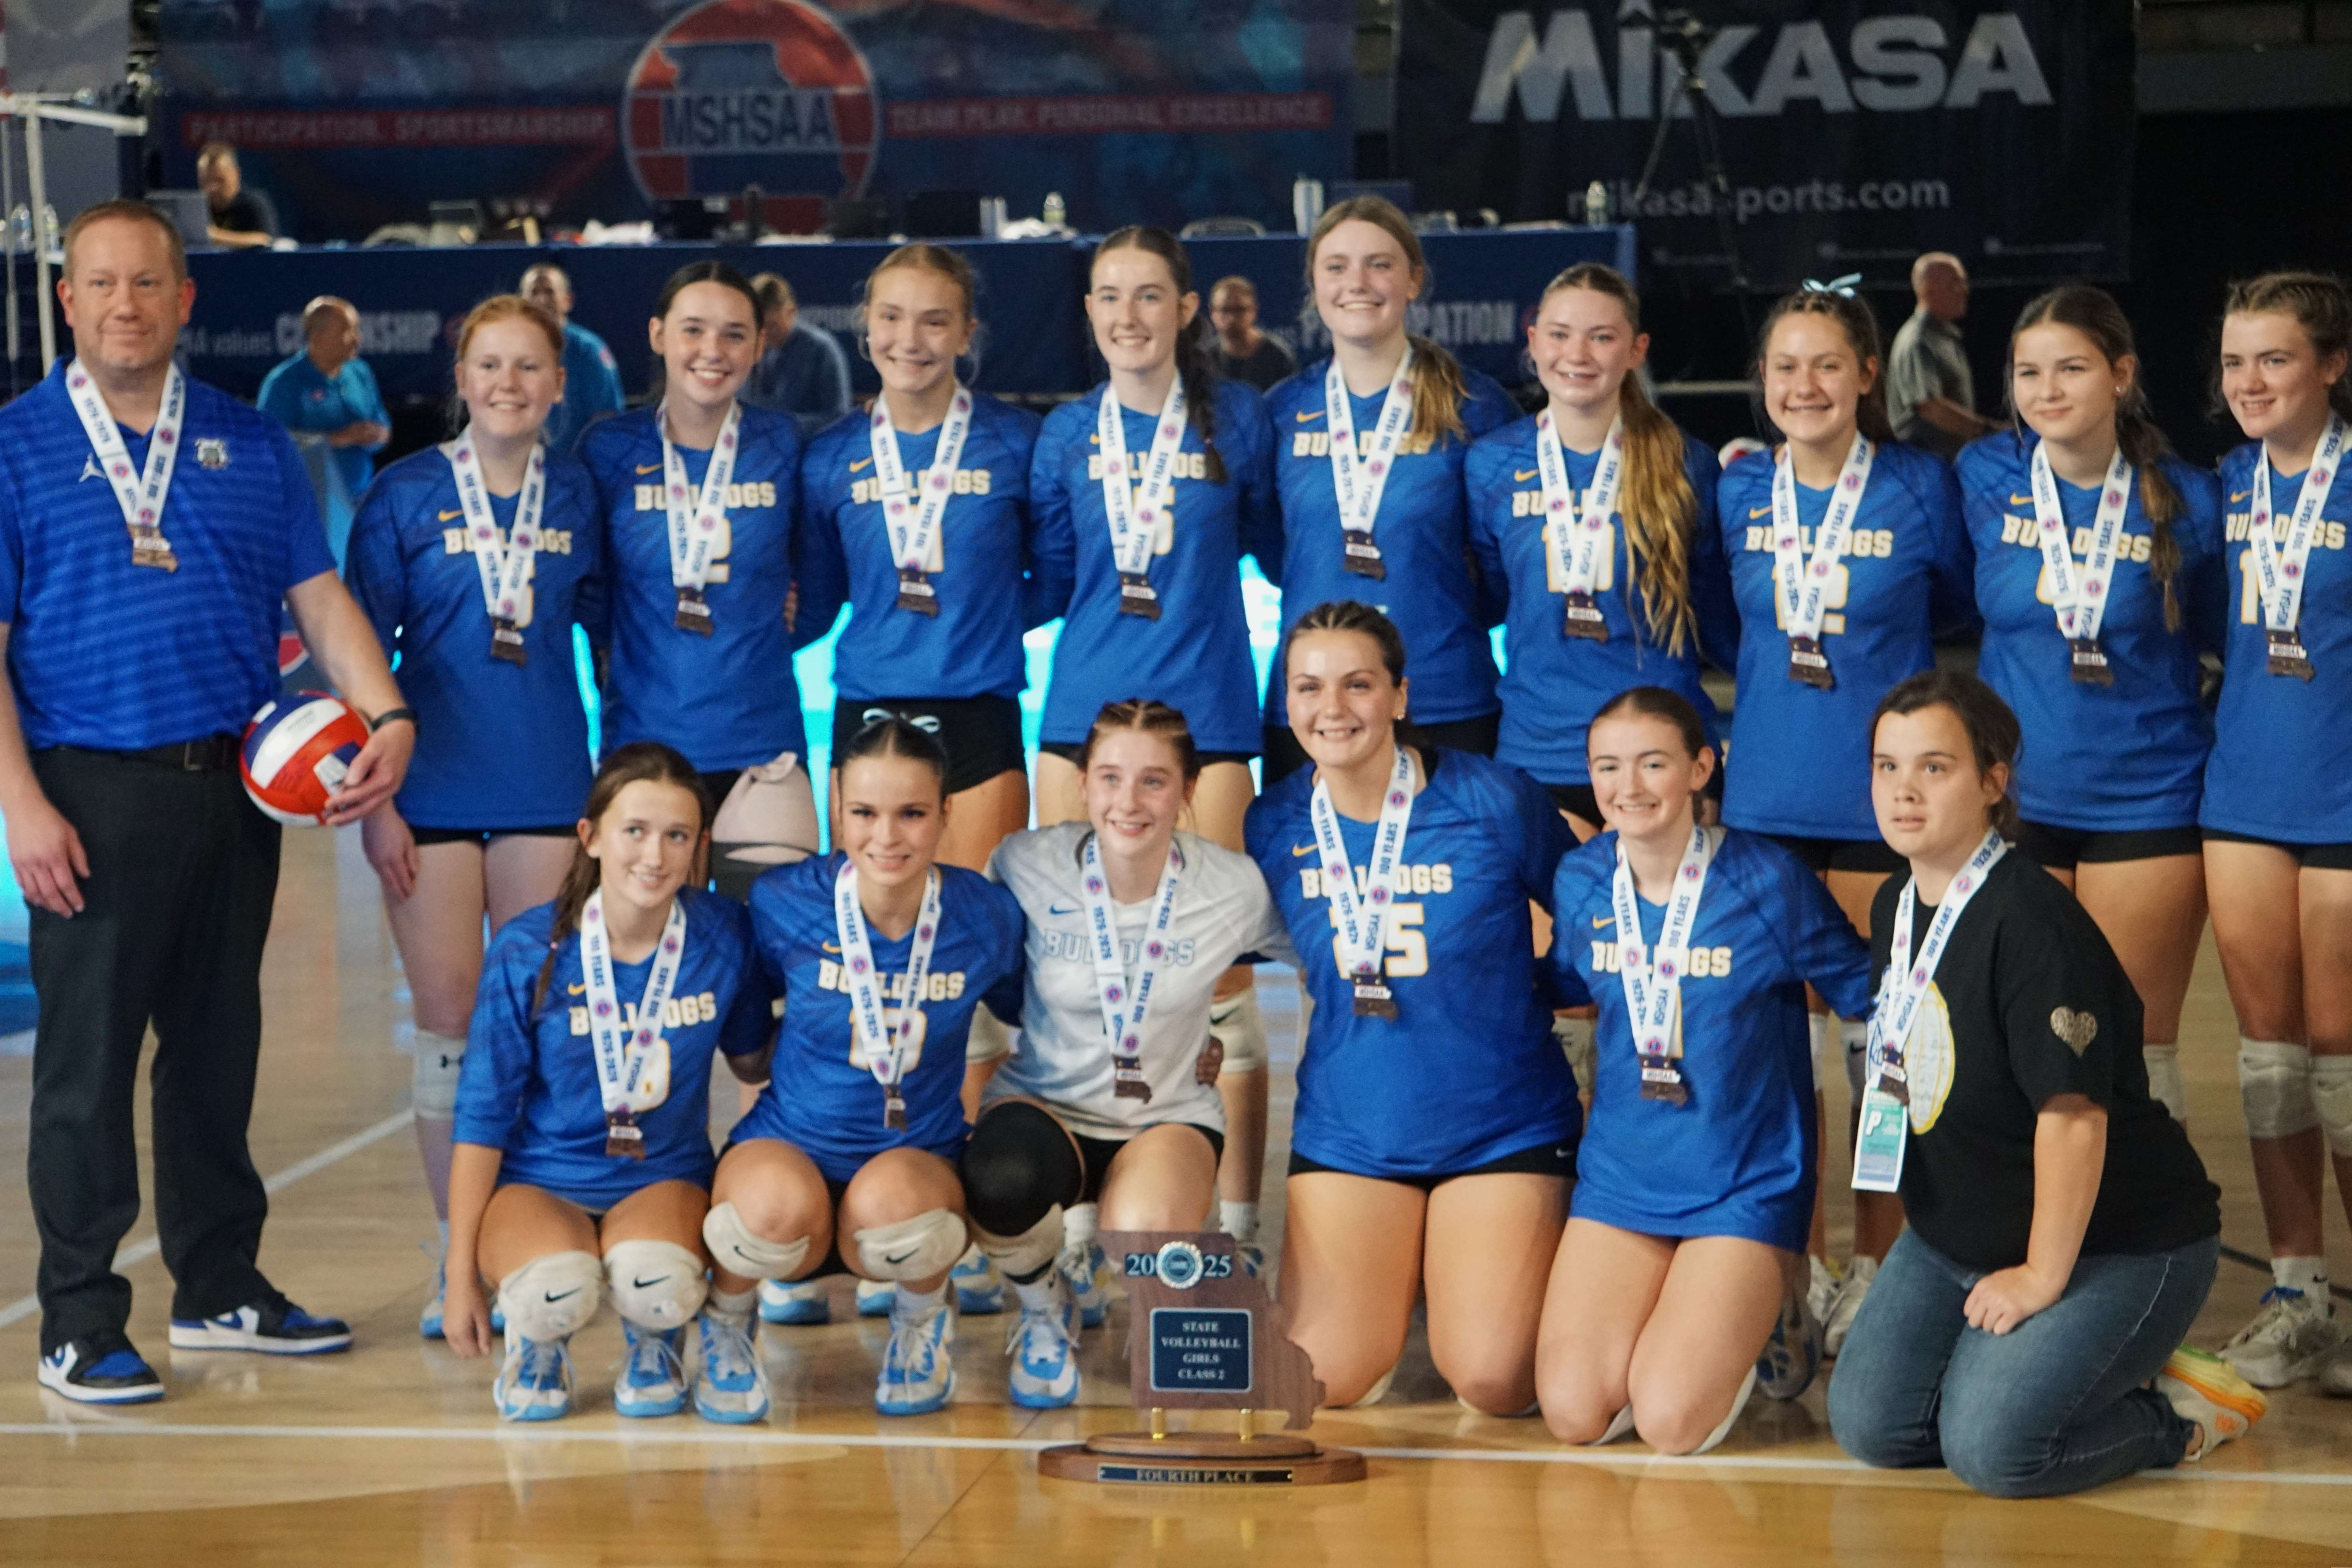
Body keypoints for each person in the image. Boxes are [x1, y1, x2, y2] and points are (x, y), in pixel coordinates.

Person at [0, 200, 412, 1403]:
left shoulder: (249, 443)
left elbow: (323, 604)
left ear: (187, 300)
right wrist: (21, 805)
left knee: (216, 1051)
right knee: (86, 1068)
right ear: (66, 301)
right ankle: (77, 1319)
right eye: (101, 284)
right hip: (86, 791)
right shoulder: (16, 446)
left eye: (148, 283)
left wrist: (388, 717)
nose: (125, 302)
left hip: (233, 790)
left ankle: (221, 1282)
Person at [1827, 670, 2262, 1497]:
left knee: (1995, 1451)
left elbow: (2073, 1119)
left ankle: (2178, 1412)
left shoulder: (2032, 923)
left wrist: (2039, 1278)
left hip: (2117, 1243)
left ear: (1994, 782)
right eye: (1887, 767)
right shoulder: (1896, 903)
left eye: (1934, 767)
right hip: (1960, 1236)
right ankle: (2059, 1363)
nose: (1903, 792)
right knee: (1873, 1426)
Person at [1716, 281, 1973, 1349]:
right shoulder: (1733, 493)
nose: (1803, 385)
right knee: (1775, 1060)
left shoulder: (1920, 488)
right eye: (1784, 366)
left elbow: (1960, 607)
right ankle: (1791, 1263)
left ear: (1867, 374)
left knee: (1880, 1057)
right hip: (1761, 811)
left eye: (1825, 364)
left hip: (1886, 814)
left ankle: (1876, 1259)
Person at [343, 293, 605, 1340]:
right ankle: (455, 1254)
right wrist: (372, 808)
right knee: (450, 1032)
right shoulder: (403, 495)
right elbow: (357, 661)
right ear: (460, 376)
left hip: (548, 788)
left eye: (527, 367)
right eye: (488, 364)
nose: (507, 382)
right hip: (433, 797)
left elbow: (619, 626)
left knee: (539, 1023)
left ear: (555, 383)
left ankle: (528, 1237)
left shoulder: (579, 494)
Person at [1245, 601, 1578, 1413]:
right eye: (1309, 687)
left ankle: (1457, 1276)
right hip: (1353, 1132)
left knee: (1495, 1378)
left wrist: (1541, 989)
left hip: (1501, 1129)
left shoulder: (1496, 801)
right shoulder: (1273, 820)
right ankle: (1408, 1278)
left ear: (1399, 696)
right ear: (1287, 703)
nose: (1332, 708)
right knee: (1322, 1381)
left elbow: (1595, 911)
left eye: (1358, 685)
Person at [1023, 226, 1278, 1281]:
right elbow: (1042, 570)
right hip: (1077, 726)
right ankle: (1080, 1218)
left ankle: (1236, 1218)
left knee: (1215, 989)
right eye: (1106, 296)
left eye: (1147, 295)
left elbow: (1280, 541)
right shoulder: (1063, 435)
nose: (1125, 315)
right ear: (1087, 311)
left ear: (1186, 309)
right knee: (1074, 978)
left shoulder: (1242, 422)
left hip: (1210, 721)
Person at [1538, 687, 1873, 1452]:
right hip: (1625, 1177)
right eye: (1608, 767)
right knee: (1572, 1412)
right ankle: (1734, 1307)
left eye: (1653, 763)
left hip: (1743, 1182)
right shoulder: (1582, 879)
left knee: (1669, 1421)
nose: (1629, 787)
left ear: (1700, 766)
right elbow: (1564, 982)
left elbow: (1866, 992)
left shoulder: (1769, 882)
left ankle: (1775, 1285)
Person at [1955, 285, 2226, 1129]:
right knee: (2019, 1045)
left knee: (2136, 1049)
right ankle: (2037, 1247)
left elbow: (2225, 633)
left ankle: (2155, 1245)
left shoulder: (2187, 496)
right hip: (2013, 801)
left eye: (2070, 368)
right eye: (2028, 372)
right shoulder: (1985, 475)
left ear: (2121, 374)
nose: (2047, 390)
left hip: (2146, 798)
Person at [442, 744, 778, 1422]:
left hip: (663, 1177)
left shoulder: (723, 937)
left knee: (655, 1279)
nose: (654, 855)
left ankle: (658, 1339)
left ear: (697, 847)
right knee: (550, 1290)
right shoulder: (527, 948)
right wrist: (457, 1280)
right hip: (539, 1181)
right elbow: (481, 1118)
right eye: (635, 831)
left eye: (675, 835)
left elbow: (755, 1063)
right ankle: (535, 1342)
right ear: (590, 837)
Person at [963, 699, 1284, 1406]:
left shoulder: (1233, 885)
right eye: (1109, 777)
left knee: (1142, 1238)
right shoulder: (1023, 862)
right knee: (998, 1178)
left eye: (1153, 781)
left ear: (1188, 789)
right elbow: (970, 969)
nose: (1128, 802)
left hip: (1164, 1118)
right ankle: (1047, 1308)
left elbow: (1323, 958)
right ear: (1082, 782)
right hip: (1044, 1106)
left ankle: (1159, 1310)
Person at [705, 719, 1025, 1415]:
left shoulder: (985, 915)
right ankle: (725, 1326)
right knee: (760, 1212)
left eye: (911, 813)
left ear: (946, 813)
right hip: (788, 1144)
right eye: (864, 813)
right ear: (835, 806)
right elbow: (743, 1020)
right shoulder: (782, 900)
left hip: (912, 1161)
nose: (886, 836)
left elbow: (1043, 1017)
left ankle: (918, 1323)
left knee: (904, 1214)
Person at [2200, 271, 2352, 1393]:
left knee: (2341, 1060)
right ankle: (2296, 1290)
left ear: (2329, 365)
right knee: (2266, 1061)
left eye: (2273, 359)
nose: (2248, 382)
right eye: (2232, 362)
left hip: (2341, 798)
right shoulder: (2217, 488)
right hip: (2241, 791)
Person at [797, 243, 1050, 873]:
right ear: (866, 324)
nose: (909, 339)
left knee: (978, 925)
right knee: (867, 926)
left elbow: (1057, 575)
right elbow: (822, 596)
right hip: (868, 706)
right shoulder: (829, 456)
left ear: (966, 333)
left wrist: (984, 620)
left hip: (977, 712)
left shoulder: (1015, 441)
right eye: (891, 316)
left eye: (934, 321)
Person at [581, 260, 825, 903]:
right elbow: (589, 590)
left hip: (762, 745)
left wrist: (782, 629)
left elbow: (823, 572)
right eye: (693, 330)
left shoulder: (784, 443)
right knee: (661, 972)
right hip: (644, 744)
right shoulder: (608, 449)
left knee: (770, 967)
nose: (712, 351)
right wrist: (624, 647)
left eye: (733, 334)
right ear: (659, 335)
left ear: (758, 344)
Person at [1466, 262, 1734, 840]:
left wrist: (1705, 754)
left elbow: (1713, 615)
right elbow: (1489, 596)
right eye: (1559, 334)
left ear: (1636, 350)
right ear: (1533, 342)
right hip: (1538, 749)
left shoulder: (1685, 465)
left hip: (1658, 750)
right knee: (1549, 930)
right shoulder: (1491, 463)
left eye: (1601, 336)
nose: (1577, 354)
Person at [1263, 195, 1515, 784]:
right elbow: (1275, 549)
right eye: (1336, 266)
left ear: (1413, 279)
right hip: (1311, 708)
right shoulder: (1280, 412)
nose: (1357, 282)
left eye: (1378, 264)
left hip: (1444, 697)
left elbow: (1504, 565)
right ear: (1314, 284)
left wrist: (1438, 609)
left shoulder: (1472, 408)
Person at [256, 294, 391, 551]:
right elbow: (268, 445)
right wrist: (337, 439)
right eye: (348, 331)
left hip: (361, 503)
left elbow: (383, 425)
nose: (357, 339)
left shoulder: (360, 373)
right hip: (309, 510)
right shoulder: (285, 383)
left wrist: (376, 435)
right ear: (317, 337)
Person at [1887, 253, 2001, 461]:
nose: (1965, 291)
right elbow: (1930, 408)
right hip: (1924, 468)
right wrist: (1990, 432)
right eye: (1955, 283)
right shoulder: (1918, 340)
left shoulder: (1942, 337)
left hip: (1943, 463)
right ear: (1928, 288)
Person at [521, 264, 627, 454]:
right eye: (534, 292)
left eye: (549, 292)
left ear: (567, 301)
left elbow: (606, 417)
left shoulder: (589, 350)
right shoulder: (509, 349)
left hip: (578, 465)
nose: (541, 299)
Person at [746, 272, 853, 436]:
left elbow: (838, 417)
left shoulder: (822, 350)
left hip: (810, 449)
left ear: (792, 311)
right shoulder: (751, 346)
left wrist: (782, 427)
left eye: (771, 325)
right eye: (758, 327)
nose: (764, 334)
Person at [1208, 276, 1295, 391]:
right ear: (1212, 312)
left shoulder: (1278, 358)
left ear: (1254, 311)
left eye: (1239, 310)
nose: (1231, 318)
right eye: (1224, 310)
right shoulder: (1205, 360)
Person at [195, 143, 279, 250]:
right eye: (206, 181)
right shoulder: (195, 210)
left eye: (220, 180)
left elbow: (267, 240)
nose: (213, 188)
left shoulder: (254, 204)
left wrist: (215, 236)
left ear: (236, 175)